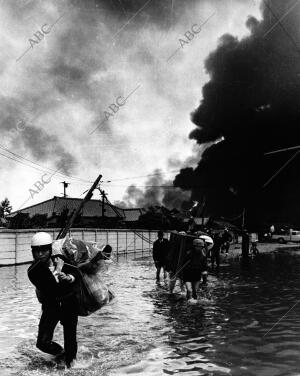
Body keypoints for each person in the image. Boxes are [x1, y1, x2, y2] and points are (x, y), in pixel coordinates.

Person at [27, 232, 79, 368]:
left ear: (50, 249)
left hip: (69, 302)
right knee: (42, 343)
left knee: (70, 338)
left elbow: (76, 273)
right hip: (51, 305)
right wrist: (59, 269)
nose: (40, 254)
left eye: (44, 250)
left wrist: (69, 277)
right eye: (36, 251)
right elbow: (52, 289)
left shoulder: (61, 257)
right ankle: (60, 354)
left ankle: (71, 364)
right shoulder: (33, 271)